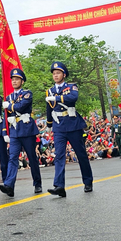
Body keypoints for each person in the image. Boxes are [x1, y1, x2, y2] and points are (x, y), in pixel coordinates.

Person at [45, 61, 93, 197]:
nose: (55, 75)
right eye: (54, 74)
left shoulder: (71, 87)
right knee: (59, 155)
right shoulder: (50, 90)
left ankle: (88, 181)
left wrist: (57, 97)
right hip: (58, 125)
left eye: (58, 73)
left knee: (81, 154)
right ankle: (59, 186)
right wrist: (49, 124)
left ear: (64, 74)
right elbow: (49, 107)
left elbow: (73, 97)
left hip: (72, 124)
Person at [0, 68, 42, 197]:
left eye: (17, 79)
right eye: (12, 79)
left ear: (22, 81)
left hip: (27, 129)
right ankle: (9, 185)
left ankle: (37, 183)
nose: (14, 81)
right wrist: (5, 132)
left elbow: (20, 107)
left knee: (32, 157)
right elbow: (5, 116)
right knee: (12, 158)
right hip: (14, 131)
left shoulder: (27, 94)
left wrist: (9, 106)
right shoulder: (9, 97)